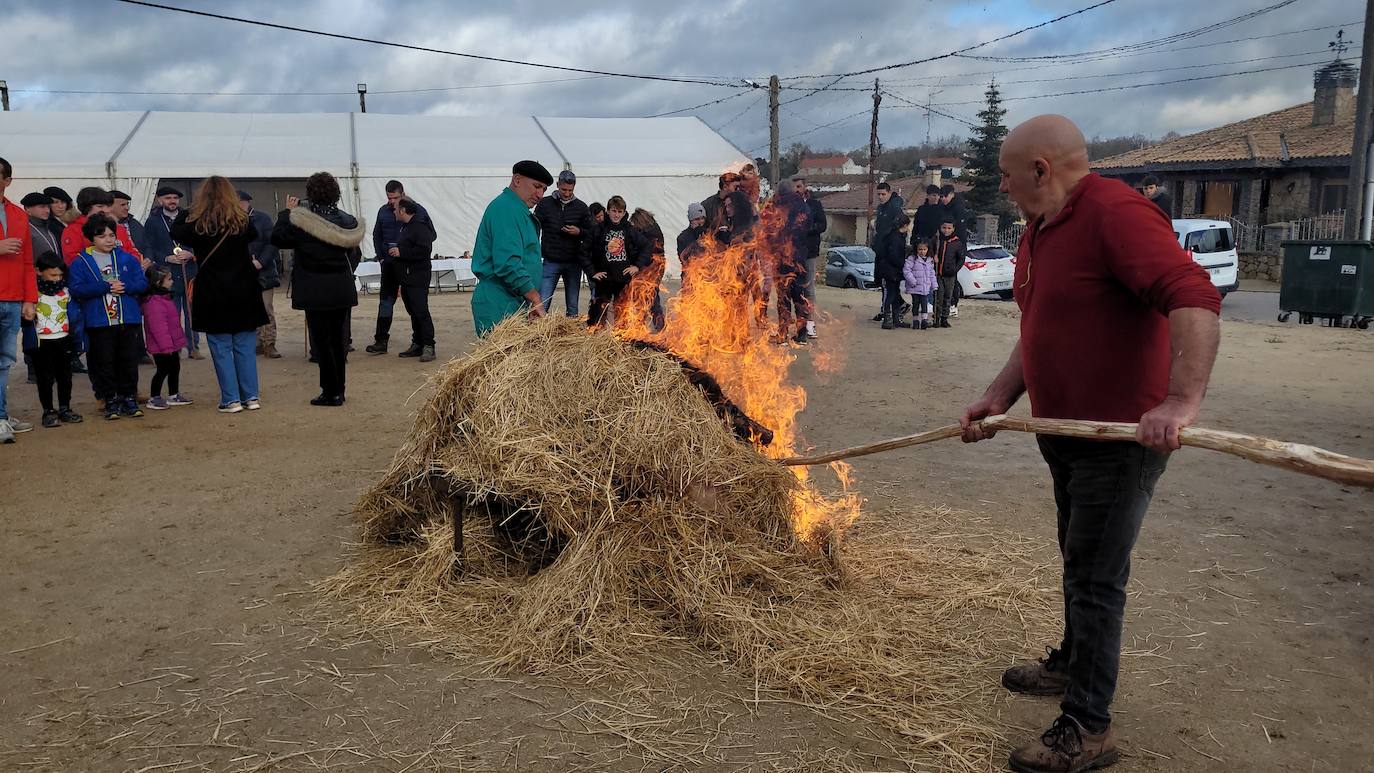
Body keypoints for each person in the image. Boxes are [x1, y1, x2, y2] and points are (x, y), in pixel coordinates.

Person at [958, 114, 1221, 773]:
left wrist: (1180, 401)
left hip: (1120, 438)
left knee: (1098, 576)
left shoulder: (1116, 215)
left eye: (1009, 175)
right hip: (1064, 434)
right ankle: (1074, 663)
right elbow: (1039, 328)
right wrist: (998, 397)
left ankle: (1088, 725)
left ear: (1041, 170)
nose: (1004, 186)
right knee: (1079, 558)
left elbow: (1194, 295)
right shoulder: (1041, 230)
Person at [170, 177, 268, 414]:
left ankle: (231, 399)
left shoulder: (198, 224)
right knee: (244, 345)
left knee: (221, 346)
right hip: (244, 289)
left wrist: (190, 210)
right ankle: (251, 396)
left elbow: (176, 231)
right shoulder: (242, 222)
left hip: (213, 290)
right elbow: (254, 235)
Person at [271, 171, 365, 406]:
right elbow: (355, 254)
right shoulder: (348, 221)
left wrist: (287, 212)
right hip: (340, 287)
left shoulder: (301, 221)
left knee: (322, 344)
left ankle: (329, 391)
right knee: (338, 342)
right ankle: (338, 390)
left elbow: (278, 238)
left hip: (314, 289)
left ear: (310, 193)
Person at [67, 214, 148, 420]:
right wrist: (104, 287)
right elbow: (76, 289)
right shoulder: (81, 262)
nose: (108, 240)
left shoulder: (127, 258)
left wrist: (127, 287)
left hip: (127, 319)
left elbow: (142, 284)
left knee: (128, 360)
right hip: (99, 321)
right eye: (102, 236)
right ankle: (109, 399)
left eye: (111, 235)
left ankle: (129, 397)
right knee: (104, 362)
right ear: (91, 238)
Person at [470, 160, 552, 336]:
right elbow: (508, 263)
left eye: (544, 190)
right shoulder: (506, 209)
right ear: (517, 180)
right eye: (537, 186)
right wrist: (534, 297)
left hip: (513, 300)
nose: (540, 194)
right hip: (500, 301)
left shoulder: (517, 210)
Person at [366, 180, 428, 355]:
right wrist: (382, 258)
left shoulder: (417, 210)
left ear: (403, 194)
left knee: (414, 304)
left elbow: (428, 235)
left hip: (409, 266)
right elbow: (377, 235)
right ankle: (381, 341)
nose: (392, 202)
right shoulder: (383, 212)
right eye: (389, 198)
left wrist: (407, 252)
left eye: (395, 198)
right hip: (389, 265)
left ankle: (420, 342)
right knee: (385, 303)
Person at [1, 157, 39, 442]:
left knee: (4, 362)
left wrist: (30, 298)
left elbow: (27, 261)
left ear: (8, 180)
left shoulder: (17, 214)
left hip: (13, 298)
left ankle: (1, 415)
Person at [23, 251, 82, 427]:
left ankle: (65, 408)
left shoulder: (65, 290)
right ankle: (48, 411)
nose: (57, 279)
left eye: (60, 275)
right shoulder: (31, 293)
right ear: (39, 271)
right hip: (41, 341)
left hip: (63, 338)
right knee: (45, 378)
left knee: (65, 376)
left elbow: (73, 314)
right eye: (53, 274)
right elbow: (24, 317)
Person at [143, 186, 202, 359]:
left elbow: (199, 241)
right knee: (171, 313)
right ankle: (173, 347)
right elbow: (150, 246)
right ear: (159, 200)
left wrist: (191, 253)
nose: (172, 201)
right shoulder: (152, 221)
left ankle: (194, 347)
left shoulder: (190, 218)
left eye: (175, 198)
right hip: (167, 275)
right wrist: (166, 258)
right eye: (168, 197)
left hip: (189, 271)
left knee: (192, 312)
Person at [583, 196, 650, 328]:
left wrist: (637, 266)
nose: (616, 215)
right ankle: (595, 340)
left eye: (620, 212)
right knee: (598, 313)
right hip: (604, 280)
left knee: (622, 314)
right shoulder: (598, 230)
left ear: (624, 213)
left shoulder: (629, 230)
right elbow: (583, 252)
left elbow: (646, 246)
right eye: (614, 211)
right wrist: (592, 272)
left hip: (623, 280)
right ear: (607, 211)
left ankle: (621, 340)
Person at [534, 169, 591, 318]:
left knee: (572, 306)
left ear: (574, 187)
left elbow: (591, 233)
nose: (566, 193)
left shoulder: (582, 207)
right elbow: (534, 227)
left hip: (573, 262)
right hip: (551, 260)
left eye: (570, 190)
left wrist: (579, 232)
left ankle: (571, 335)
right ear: (558, 184)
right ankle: (537, 331)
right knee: (542, 302)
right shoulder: (544, 204)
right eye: (564, 189)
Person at [392, 198, 437, 361]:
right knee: (413, 311)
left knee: (421, 311)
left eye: (396, 208)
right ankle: (417, 343)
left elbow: (424, 251)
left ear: (403, 210)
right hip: (407, 277)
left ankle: (429, 345)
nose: (394, 211)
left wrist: (401, 252)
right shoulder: (406, 227)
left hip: (418, 276)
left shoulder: (420, 227)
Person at [140, 265, 191, 410]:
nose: (172, 281)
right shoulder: (154, 303)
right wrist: (166, 346)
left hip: (170, 344)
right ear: (158, 283)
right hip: (162, 346)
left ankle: (173, 394)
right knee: (162, 370)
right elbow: (159, 328)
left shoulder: (164, 299)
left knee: (174, 367)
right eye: (169, 279)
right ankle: (154, 397)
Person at [238, 191, 281, 359]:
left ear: (247, 202)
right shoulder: (230, 220)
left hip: (264, 273)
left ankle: (269, 343)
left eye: (239, 202)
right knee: (248, 308)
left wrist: (261, 262)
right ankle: (255, 342)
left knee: (266, 308)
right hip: (241, 273)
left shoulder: (263, 219)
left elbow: (272, 243)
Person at [61, 187, 144, 265]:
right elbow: (72, 260)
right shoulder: (73, 230)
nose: (106, 210)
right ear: (87, 208)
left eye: (108, 206)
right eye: (100, 206)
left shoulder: (118, 228)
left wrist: (136, 262)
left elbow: (132, 251)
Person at [773, 188, 813, 344]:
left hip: (784, 259)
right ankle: (802, 334)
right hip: (799, 259)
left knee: (783, 298)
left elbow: (775, 232)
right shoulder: (805, 208)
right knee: (799, 297)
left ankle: (783, 334)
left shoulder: (782, 208)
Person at [792, 175, 827, 340]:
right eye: (794, 187)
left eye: (799, 187)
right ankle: (800, 326)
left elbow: (822, 225)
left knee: (809, 289)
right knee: (795, 290)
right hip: (793, 253)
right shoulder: (790, 206)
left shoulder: (815, 204)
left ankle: (810, 324)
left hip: (810, 252)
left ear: (805, 187)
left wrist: (806, 229)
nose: (796, 190)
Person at [869, 182, 906, 323]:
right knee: (883, 283)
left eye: (883, 194)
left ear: (889, 193)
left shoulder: (895, 208)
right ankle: (890, 310)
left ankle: (892, 311)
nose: (881, 197)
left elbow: (897, 230)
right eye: (878, 194)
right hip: (881, 250)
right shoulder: (881, 208)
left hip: (890, 252)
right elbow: (879, 229)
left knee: (890, 284)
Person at [875, 213, 909, 330]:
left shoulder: (893, 236)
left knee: (894, 294)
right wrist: (903, 264)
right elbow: (894, 256)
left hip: (891, 269)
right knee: (891, 294)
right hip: (891, 270)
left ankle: (895, 319)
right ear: (904, 225)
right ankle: (888, 319)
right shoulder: (895, 238)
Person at [931, 217, 965, 329]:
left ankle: (944, 319)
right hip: (938, 274)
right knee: (938, 297)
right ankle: (936, 318)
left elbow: (961, 259)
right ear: (940, 228)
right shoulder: (936, 240)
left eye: (949, 228)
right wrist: (933, 257)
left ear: (953, 229)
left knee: (947, 297)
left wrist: (955, 269)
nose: (946, 230)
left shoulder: (957, 243)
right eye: (944, 228)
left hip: (950, 275)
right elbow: (929, 251)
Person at [902, 238, 937, 330]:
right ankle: (915, 321)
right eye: (920, 249)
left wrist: (934, 284)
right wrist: (912, 281)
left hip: (925, 287)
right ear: (916, 249)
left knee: (924, 304)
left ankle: (924, 320)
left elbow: (931, 273)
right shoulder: (912, 259)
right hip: (915, 286)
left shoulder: (930, 260)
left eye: (924, 249)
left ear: (928, 249)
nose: (922, 252)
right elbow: (906, 270)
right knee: (916, 304)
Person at [110, 190, 149, 258]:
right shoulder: (102, 227)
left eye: (127, 204)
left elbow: (147, 246)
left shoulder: (135, 224)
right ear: (110, 206)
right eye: (123, 205)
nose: (127, 208)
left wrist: (148, 259)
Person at [676, 202, 709, 269]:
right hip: (691, 274)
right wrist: (696, 244)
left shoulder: (708, 234)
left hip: (707, 274)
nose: (700, 221)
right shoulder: (683, 237)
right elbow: (683, 259)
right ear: (690, 220)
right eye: (697, 219)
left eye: (702, 218)